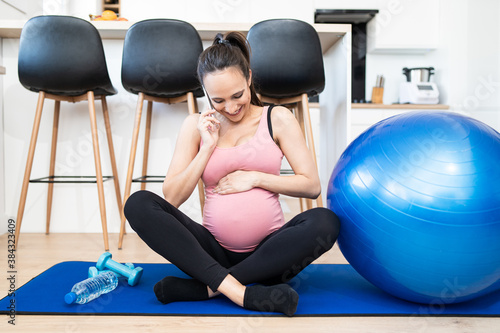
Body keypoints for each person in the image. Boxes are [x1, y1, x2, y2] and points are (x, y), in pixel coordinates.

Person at [124, 31, 340, 317]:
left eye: (237, 95)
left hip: (271, 256)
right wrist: (207, 147)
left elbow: (311, 185)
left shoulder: (277, 118)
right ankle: (241, 292)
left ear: (249, 77)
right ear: (205, 92)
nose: (231, 107)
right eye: (219, 100)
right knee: (137, 203)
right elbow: (172, 197)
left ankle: (206, 288)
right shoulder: (195, 126)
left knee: (325, 221)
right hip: (211, 252)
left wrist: (255, 177)